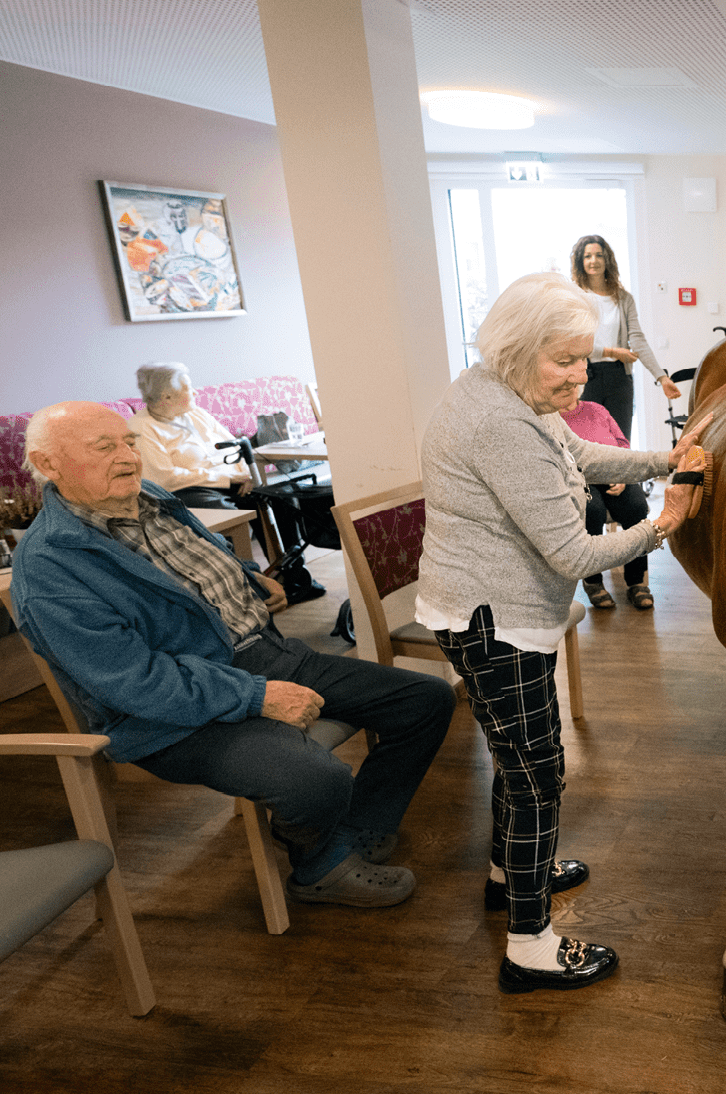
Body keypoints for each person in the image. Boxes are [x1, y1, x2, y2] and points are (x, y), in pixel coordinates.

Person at [11, 402, 453, 909]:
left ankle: (354, 829)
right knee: (313, 778)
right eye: (105, 447)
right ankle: (318, 868)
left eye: (130, 441)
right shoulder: (51, 569)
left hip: (262, 653)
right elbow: (136, 682)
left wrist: (245, 576)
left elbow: (184, 564)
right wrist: (257, 695)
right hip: (169, 715)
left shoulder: (147, 496)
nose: (128, 457)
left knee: (426, 699)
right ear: (49, 465)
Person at [416, 271, 711, 994]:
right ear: (519, 350)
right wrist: (665, 521)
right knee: (537, 776)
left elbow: (577, 457)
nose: (581, 375)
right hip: (498, 623)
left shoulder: (506, 388)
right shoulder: (499, 421)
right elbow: (575, 556)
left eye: (585, 358)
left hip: (492, 611)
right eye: (565, 360)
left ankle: (506, 874)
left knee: (514, 761)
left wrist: (663, 459)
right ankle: (530, 946)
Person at [569, 234, 682, 438]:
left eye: (599, 255)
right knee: (589, 444)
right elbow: (572, 342)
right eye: (587, 256)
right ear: (580, 261)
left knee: (620, 440)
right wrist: (611, 351)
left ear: (607, 260)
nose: (593, 260)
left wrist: (662, 377)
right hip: (587, 376)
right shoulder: (574, 298)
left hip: (619, 378)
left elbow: (637, 339)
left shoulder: (623, 299)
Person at [559, 386, 655, 610]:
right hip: (581, 479)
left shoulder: (597, 410)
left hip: (614, 473)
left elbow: (622, 444)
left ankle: (636, 581)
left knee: (636, 506)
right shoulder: (552, 419)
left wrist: (623, 475)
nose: (569, 390)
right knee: (592, 511)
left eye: (573, 385)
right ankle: (593, 582)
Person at [128, 362, 251, 509]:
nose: (195, 392)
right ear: (167, 397)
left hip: (232, 480)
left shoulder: (195, 412)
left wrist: (248, 475)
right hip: (189, 490)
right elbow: (165, 478)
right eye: (188, 388)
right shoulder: (142, 427)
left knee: (275, 496)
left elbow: (236, 444)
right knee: (228, 510)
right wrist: (226, 478)